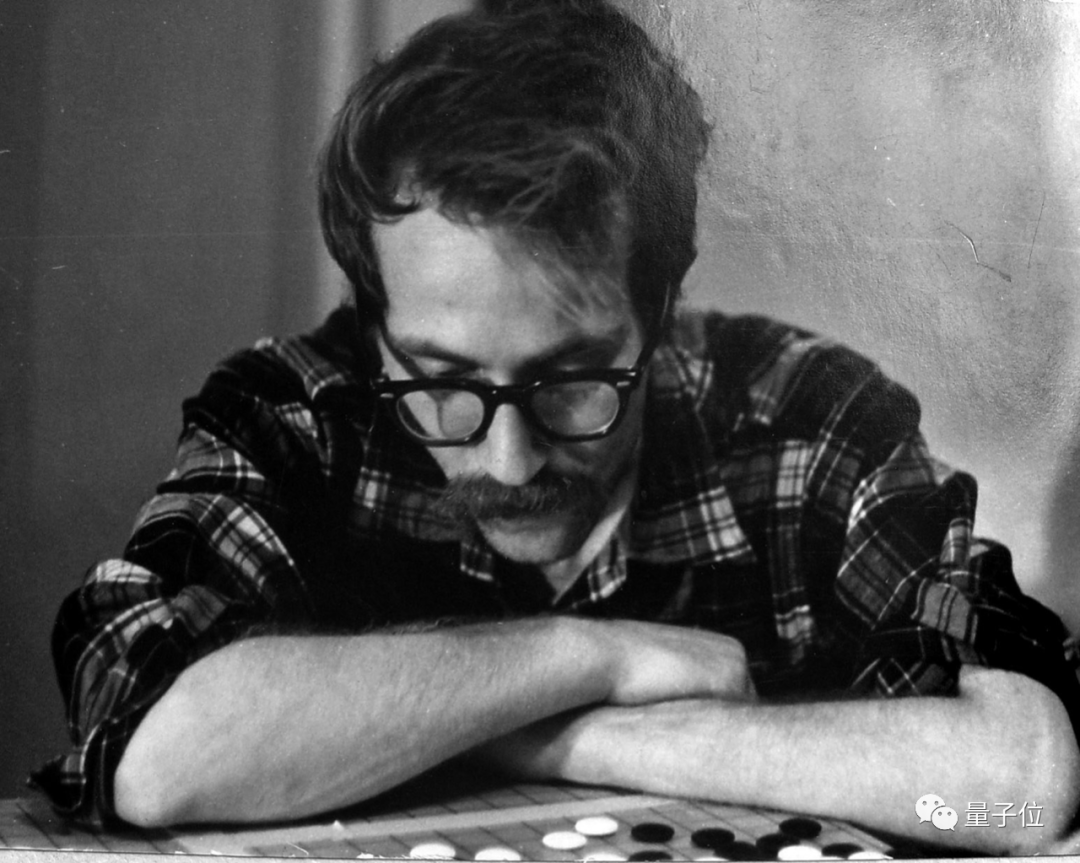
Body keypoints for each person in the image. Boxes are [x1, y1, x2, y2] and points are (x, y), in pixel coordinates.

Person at [33, 0, 1080, 853]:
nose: (509, 459)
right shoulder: (291, 413)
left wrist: (549, 737)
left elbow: (1016, 790)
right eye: (440, 380)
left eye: (573, 379)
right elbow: (156, 756)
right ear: (372, 317)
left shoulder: (809, 418)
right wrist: (598, 657)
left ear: (658, 309)